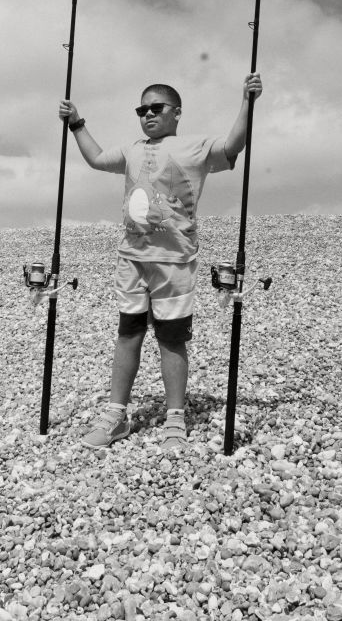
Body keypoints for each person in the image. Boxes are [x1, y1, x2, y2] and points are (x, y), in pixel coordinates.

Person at [58, 72, 263, 451]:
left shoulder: (196, 146)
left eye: (156, 108)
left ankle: (175, 419)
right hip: (131, 260)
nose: (148, 114)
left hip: (175, 263)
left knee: (171, 341)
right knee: (128, 335)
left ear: (176, 112)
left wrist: (247, 101)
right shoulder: (132, 149)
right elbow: (98, 159)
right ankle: (116, 416)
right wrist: (76, 123)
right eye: (142, 110)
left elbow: (235, 144)